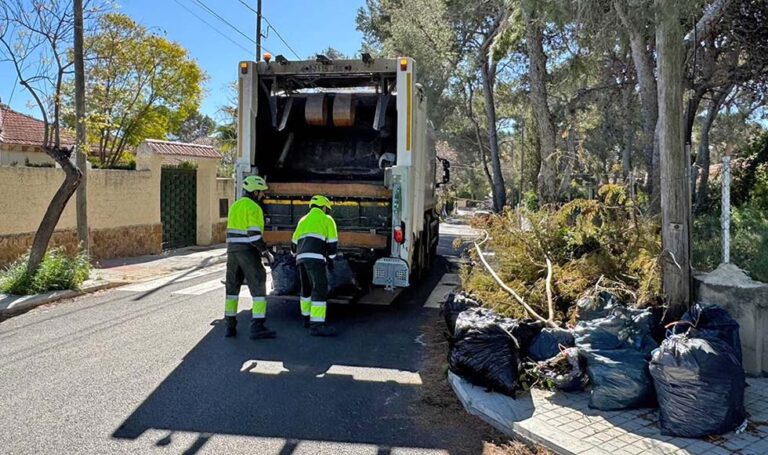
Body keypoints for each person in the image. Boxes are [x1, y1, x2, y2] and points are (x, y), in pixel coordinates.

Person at [223, 175, 276, 340]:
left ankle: (230, 326)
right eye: (262, 192)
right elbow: (253, 235)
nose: (263, 195)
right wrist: (265, 251)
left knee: (232, 289)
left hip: (232, 252)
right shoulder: (254, 208)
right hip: (247, 252)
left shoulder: (235, 206)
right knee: (258, 286)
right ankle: (257, 327)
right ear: (256, 191)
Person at [291, 195, 338, 337]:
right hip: (316, 258)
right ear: (324, 207)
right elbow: (332, 244)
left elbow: (293, 245)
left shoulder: (302, 220)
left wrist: (297, 256)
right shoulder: (327, 219)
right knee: (319, 288)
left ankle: (306, 319)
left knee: (306, 289)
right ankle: (317, 325)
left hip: (300, 259)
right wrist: (331, 259)